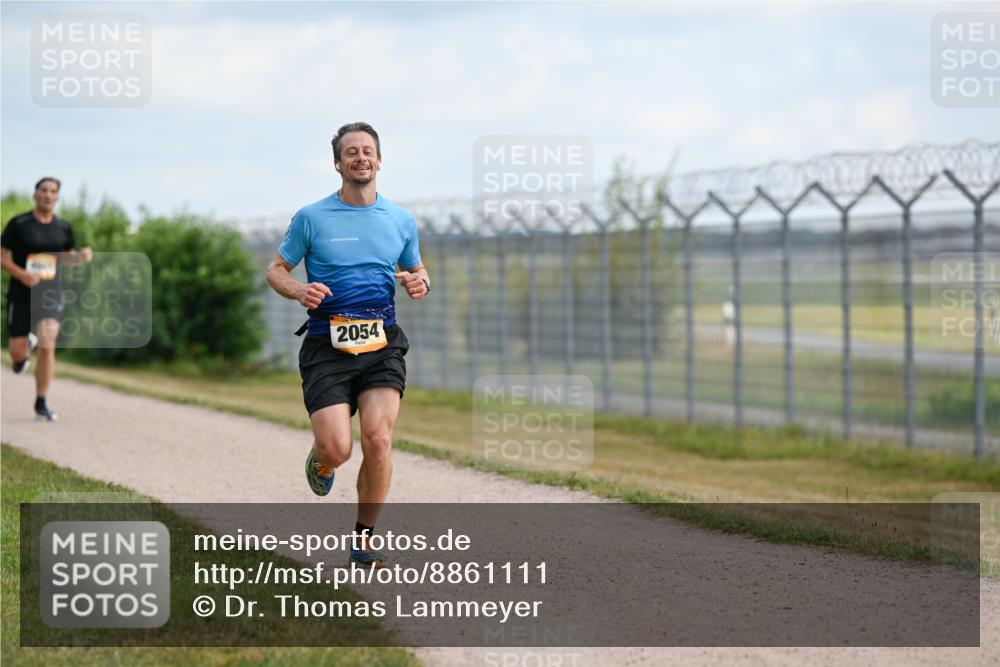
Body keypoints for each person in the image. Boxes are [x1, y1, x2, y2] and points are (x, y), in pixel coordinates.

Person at [266, 122, 429, 568]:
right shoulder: (312, 217)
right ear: (338, 163)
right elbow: (276, 269)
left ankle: (364, 539)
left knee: (378, 439)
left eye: (368, 151)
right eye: (351, 152)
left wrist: (420, 282)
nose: (361, 157)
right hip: (326, 345)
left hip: (382, 344)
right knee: (338, 448)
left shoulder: (400, 220)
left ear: (379, 159)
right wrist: (299, 290)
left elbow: (418, 271)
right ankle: (320, 462)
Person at [1, 177, 92, 421]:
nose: (48, 195)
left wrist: (82, 256)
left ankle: (41, 403)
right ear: (35, 194)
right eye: (43, 190)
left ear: (57, 197)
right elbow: (2, 256)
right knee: (17, 354)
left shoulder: (63, 227)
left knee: (48, 343)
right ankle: (23, 353)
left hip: (50, 293)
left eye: (53, 191)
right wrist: (20, 273)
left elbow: (67, 259)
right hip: (21, 294)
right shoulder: (18, 224)